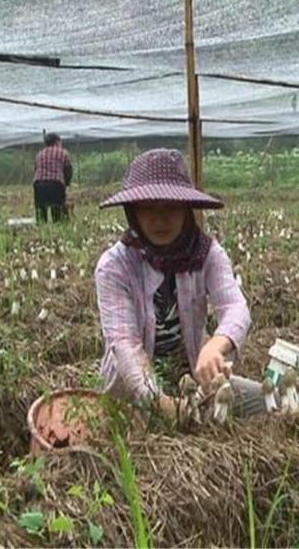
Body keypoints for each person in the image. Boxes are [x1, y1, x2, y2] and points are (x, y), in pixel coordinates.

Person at [94, 148, 264, 420]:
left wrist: (215, 345)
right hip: (130, 394)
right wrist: (163, 405)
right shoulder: (115, 266)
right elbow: (124, 345)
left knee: (267, 403)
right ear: (132, 212)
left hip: (196, 386)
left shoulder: (206, 253)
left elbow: (235, 307)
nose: (160, 219)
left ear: (187, 210)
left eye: (171, 207)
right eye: (148, 208)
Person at [33, 132, 73, 223]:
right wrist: (66, 183)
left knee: (41, 211)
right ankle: (58, 229)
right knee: (58, 212)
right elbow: (68, 169)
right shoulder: (63, 153)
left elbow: (36, 169)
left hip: (39, 184)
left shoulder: (39, 154)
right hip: (56, 184)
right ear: (57, 142)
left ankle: (42, 231)